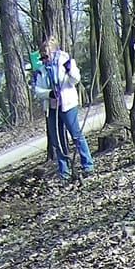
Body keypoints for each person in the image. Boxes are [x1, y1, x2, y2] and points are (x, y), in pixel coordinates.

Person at [31, 37, 93, 181]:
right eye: (42, 57)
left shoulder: (65, 61)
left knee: (76, 135)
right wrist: (49, 94)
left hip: (68, 105)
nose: (44, 59)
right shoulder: (41, 70)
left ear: (54, 52)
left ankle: (87, 165)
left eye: (46, 55)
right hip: (52, 108)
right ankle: (64, 173)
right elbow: (38, 91)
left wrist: (70, 70)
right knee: (57, 140)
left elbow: (75, 80)